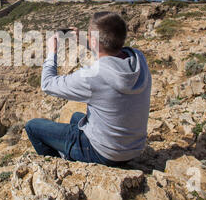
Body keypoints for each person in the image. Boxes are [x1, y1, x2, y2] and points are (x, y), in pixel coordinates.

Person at [25, 12, 152, 167]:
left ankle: (58, 166)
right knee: (76, 117)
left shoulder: (93, 76)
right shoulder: (138, 58)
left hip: (105, 153)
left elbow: (47, 84)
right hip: (133, 148)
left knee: (32, 127)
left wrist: (52, 51)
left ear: (93, 41)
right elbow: (109, 51)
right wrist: (87, 42)